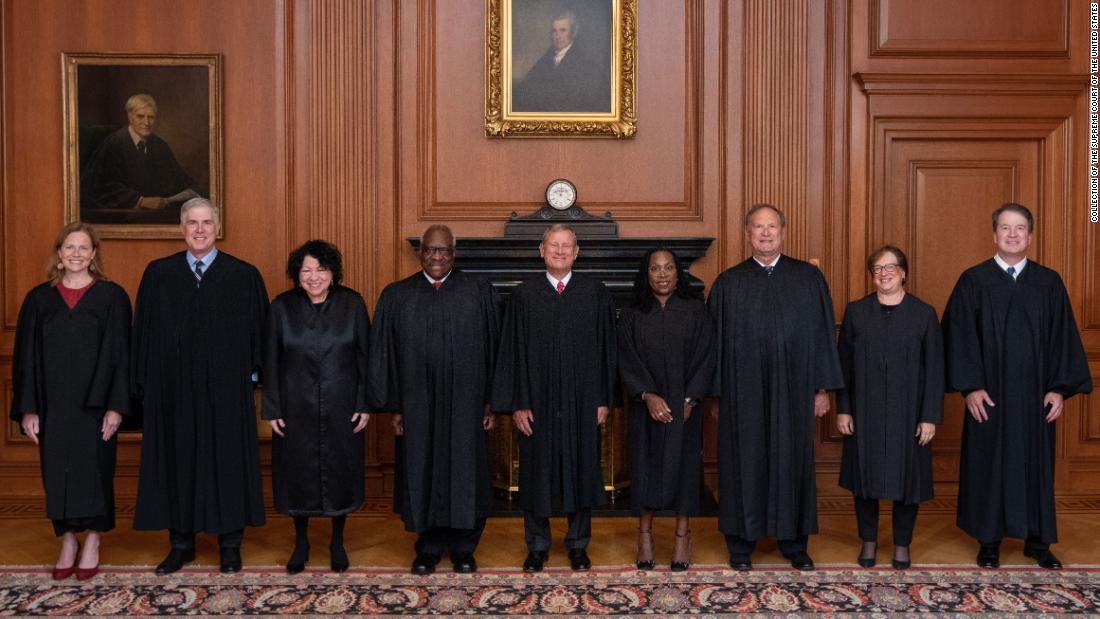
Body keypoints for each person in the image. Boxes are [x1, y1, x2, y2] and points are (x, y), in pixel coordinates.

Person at [942, 203, 1092, 570]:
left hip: (1034, 397)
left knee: (1035, 464)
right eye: (1005, 228)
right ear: (994, 234)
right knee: (988, 465)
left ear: (1030, 235)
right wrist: (971, 387)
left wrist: (1058, 388)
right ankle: (989, 541)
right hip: (989, 397)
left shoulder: (1048, 282)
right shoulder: (973, 281)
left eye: (1020, 228)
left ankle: (1037, 541)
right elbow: (958, 337)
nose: (1012, 234)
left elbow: (1063, 339)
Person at [132, 197, 269, 574]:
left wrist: (250, 382)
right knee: (177, 463)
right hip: (172, 394)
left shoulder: (243, 276)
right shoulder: (158, 275)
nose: (199, 229)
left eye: (207, 223)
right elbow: (142, 336)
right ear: (181, 228)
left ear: (218, 228)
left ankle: (230, 544)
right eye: (192, 223)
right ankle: (181, 544)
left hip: (226, 394)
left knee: (227, 462)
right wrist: (145, 388)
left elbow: (259, 336)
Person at [707, 203, 844, 571]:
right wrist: (717, 394)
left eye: (772, 227)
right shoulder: (729, 282)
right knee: (743, 460)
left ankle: (794, 542)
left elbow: (822, 335)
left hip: (794, 389)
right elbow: (714, 344)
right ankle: (741, 544)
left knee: (792, 460)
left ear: (783, 231)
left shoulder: (807, 278)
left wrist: (821, 389)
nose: (765, 234)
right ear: (746, 232)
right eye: (757, 227)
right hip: (742, 393)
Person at [369, 225, 500, 575]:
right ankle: (427, 547)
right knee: (421, 468)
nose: (437, 257)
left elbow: (496, 350)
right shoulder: (398, 295)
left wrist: (491, 401)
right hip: (417, 404)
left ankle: (463, 548)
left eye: (444, 251)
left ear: (453, 254)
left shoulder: (479, 292)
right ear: (420, 252)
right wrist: (395, 405)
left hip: (467, 404)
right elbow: (385, 354)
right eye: (430, 250)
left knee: (465, 470)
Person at [492, 224, 619, 572]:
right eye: (554, 245)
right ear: (541, 250)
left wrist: (604, 398)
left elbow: (609, 349)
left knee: (583, 467)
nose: (560, 251)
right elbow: (511, 354)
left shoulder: (595, 293)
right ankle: (537, 545)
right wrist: (518, 402)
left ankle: (578, 544)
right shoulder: (524, 296)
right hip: (537, 402)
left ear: (577, 252)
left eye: (567, 246)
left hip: (583, 401)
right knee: (536, 472)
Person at [10, 222, 131, 581]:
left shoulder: (112, 297)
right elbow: (26, 357)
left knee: (96, 472)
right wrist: (30, 408)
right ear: (59, 254)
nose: (76, 254)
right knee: (56, 472)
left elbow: (121, 356)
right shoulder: (39, 299)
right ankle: (67, 539)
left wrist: (115, 406)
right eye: (69, 247)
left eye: (83, 248)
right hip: (53, 405)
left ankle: (92, 539)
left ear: (94, 254)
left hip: (96, 406)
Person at [263, 240, 370, 574]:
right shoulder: (281, 307)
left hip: (342, 406)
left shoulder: (352, 304)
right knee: (297, 474)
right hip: (295, 407)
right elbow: (270, 361)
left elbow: (366, 359)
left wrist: (364, 402)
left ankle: (337, 542)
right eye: (306, 270)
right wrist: (273, 408)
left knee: (340, 472)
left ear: (332, 273)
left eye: (320, 270)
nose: (313, 277)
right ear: (297, 274)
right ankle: (301, 542)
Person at [836, 246, 944, 570]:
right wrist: (844, 408)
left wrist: (929, 416)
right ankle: (868, 541)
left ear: (904, 272)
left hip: (909, 413)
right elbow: (843, 368)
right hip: (864, 411)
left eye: (890, 267)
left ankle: (901, 544)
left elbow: (935, 370)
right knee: (864, 480)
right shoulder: (857, 312)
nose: (884, 274)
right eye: (877, 269)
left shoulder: (924, 314)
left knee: (908, 482)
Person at [617, 248, 714, 571]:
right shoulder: (632, 313)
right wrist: (647, 395)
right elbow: (625, 358)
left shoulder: (695, 311)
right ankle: (644, 536)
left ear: (678, 273)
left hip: (686, 406)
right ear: (646, 274)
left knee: (684, 471)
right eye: (655, 269)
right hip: (645, 407)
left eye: (668, 268)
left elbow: (706, 356)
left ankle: (682, 538)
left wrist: (690, 400)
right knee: (646, 469)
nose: (662, 274)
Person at [81, 94, 202, 212]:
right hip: (121, 216)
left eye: (151, 117)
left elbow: (179, 179)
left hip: (156, 214)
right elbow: (98, 186)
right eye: (140, 116)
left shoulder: (160, 146)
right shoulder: (113, 143)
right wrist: (140, 200)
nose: (146, 122)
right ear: (130, 117)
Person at [512, 10, 611, 113]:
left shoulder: (585, 64)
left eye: (563, 30)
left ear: (573, 33)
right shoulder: (545, 60)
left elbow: (583, 100)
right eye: (554, 31)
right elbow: (526, 87)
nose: (557, 36)